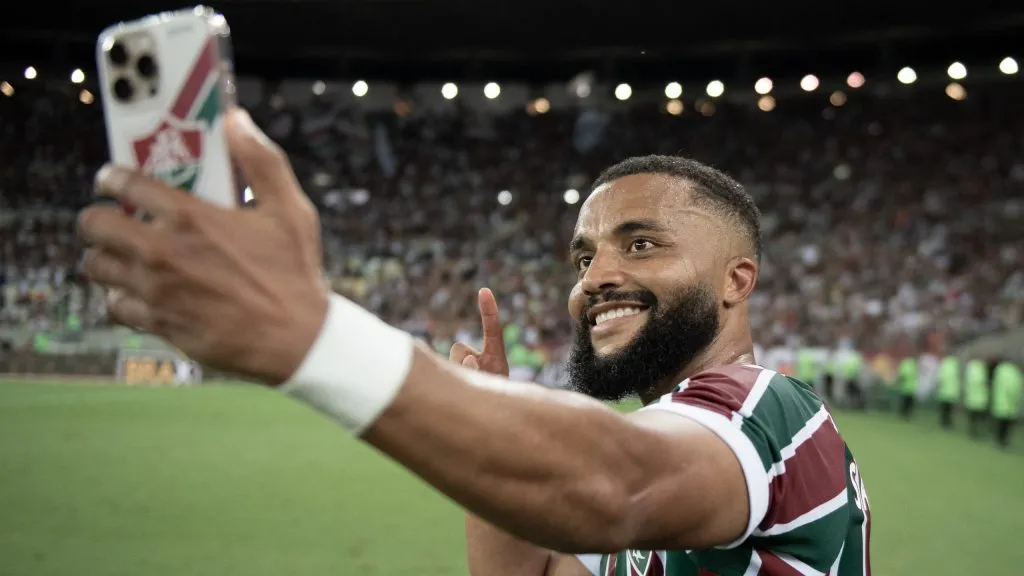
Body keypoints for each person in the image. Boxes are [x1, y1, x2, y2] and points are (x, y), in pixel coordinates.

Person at [77, 109, 872, 575]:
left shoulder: (771, 410)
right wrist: (493, 409)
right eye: (584, 255)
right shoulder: (690, 464)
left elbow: (613, 485)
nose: (596, 276)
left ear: (738, 281)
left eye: (641, 244)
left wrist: (310, 334)